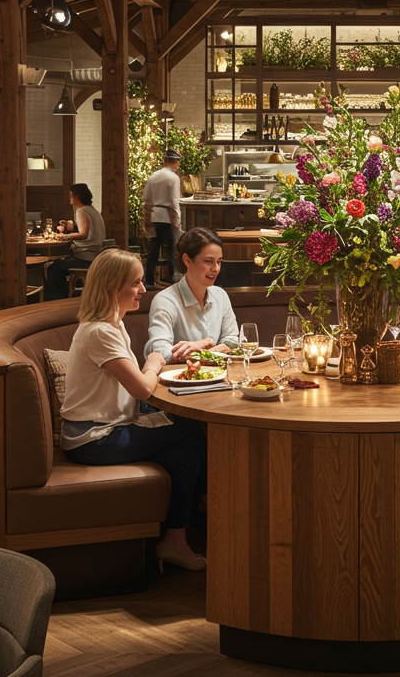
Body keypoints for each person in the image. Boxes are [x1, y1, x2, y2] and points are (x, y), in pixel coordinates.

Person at [59, 248, 208, 572]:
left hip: (107, 427)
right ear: (114, 287)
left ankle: (175, 541)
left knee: (187, 456)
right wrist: (155, 362)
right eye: (137, 283)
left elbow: (137, 385)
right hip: (92, 439)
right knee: (189, 427)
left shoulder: (111, 324)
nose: (143, 289)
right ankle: (209, 512)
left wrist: (156, 369)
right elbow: (142, 387)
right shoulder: (100, 331)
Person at [145, 227, 240, 363]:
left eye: (219, 261)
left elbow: (232, 341)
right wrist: (206, 344)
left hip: (220, 377)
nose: (216, 269)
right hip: (180, 379)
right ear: (187, 260)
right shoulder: (165, 300)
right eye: (208, 261)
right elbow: (161, 352)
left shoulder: (220, 296)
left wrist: (207, 346)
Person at [45, 183, 107, 300]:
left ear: (77, 197)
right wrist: (69, 225)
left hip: (87, 258)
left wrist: (64, 237)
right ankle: (65, 296)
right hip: (97, 256)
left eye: (71, 196)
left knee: (53, 268)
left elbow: (83, 234)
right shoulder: (92, 210)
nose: (70, 198)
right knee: (58, 265)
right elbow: (85, 227)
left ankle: (57, 300)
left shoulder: (81, 211)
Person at [143, 150, 183, 291]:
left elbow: (146, 199)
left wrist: (147, 217)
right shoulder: (173, 178)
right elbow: (174, 201)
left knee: (153, 251)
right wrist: (176, 219)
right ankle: (170, 278)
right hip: (167, 216)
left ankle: (148, 281)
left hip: (155, 215)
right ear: (176, 163)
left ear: (164, 161)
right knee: (171, 249)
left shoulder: (153, 177)